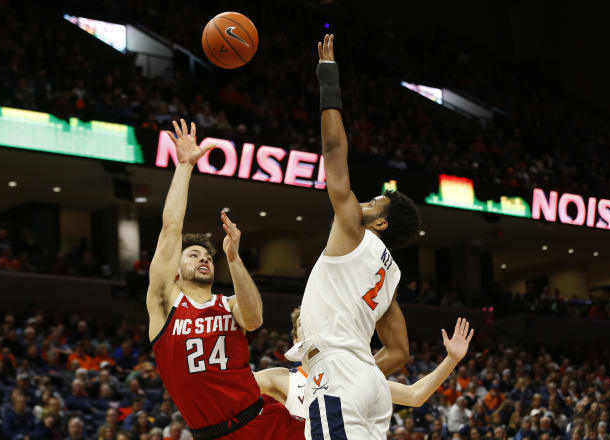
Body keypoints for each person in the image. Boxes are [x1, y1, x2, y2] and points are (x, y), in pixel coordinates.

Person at [286, 34, 422, 439]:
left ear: (380, 223)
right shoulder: (390, 274)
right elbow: (399, 352)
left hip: (339, 376)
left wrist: (328, 76)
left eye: (377, 201)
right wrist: (362, 370)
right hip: (366, 383)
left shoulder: (351, 228)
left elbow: (332, 149)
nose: (368, 200)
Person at [147, 119, 304, 439]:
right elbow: (170, 228)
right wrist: (185, 166)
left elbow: (255, 317)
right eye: (192, 255)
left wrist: (233, 258)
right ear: (175, 272)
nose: (203, 258)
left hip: (263, 423)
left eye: (207, 256)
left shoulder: (228, 304)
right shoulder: (165, 303)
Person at [255, 307, 474, 420]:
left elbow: (414, 395)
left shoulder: (353, 376)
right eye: (304, 322)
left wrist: (452, 358)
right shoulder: (280, 378)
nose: (311, 323)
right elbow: (227, 385)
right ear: (296, 340)